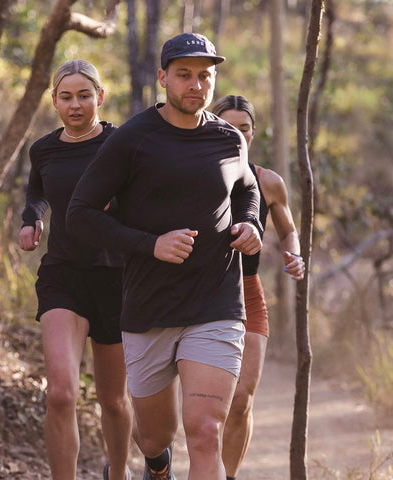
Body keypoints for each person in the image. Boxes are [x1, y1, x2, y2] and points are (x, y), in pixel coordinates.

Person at [66, 33, 263, 480]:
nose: (195, 85)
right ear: (163, 78)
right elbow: (80, 214)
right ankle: (157, 467)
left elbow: (247, 187)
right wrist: (149, 244)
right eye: (184, 75)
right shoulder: (132, 139)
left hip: (216, 303)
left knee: (205, 431)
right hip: (148, 306)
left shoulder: (230, 139)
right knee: (154, 437)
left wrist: (250, 223)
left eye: (204, 76)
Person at [19, 59, 132, 480]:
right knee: (62, 395)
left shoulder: (122, 144)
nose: (76, 105)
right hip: (63, 275)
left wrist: (115, 207)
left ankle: (117, 473)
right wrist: (33, 216)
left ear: (100, 97)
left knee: (113, 399)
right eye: (66, 97)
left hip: (115, 278)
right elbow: (38, 189)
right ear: (54, 101)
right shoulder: (44, 148)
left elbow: (143, 200)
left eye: (85, 96)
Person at [211, 94, 305, 480]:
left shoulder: (267, 182)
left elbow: (289, 231)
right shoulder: (190, 175)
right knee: (200, 406)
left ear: (253, 133)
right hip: (195, 293)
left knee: (241, 400)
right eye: (228, 127)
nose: (237, 134)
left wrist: (294, 255)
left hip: (247, 292)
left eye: (244, 128)